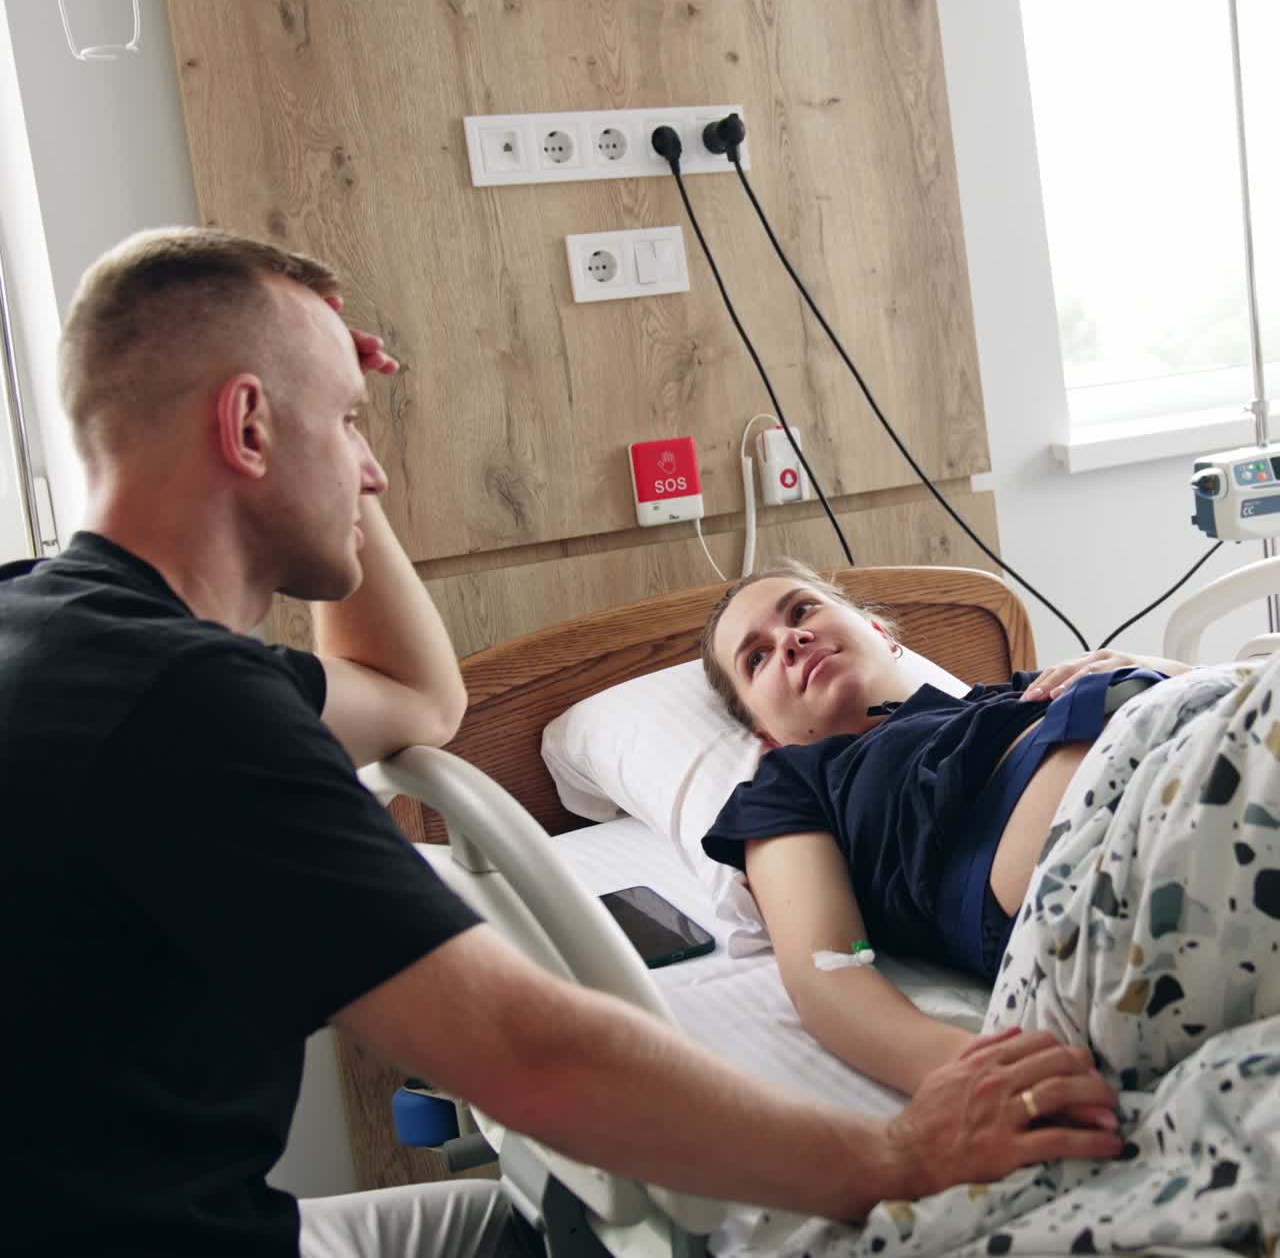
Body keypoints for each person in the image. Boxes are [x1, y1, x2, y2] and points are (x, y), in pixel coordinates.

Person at [0, 230, 1123, 1258]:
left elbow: (412, 697)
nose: (374, 468)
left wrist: (318, 414)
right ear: (247, 426)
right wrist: (894, 1155)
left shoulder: (63, 630)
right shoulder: (189, 708)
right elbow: (529, 1054)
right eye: (349, 424)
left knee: (559, 1219)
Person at [701, 562, 1190, 1096]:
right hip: (1124, 870)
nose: (791, 639)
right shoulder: (790, 784)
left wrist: (1155, 666)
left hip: (1192, 753)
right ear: (761, 729)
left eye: (802, 610)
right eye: (758, 657)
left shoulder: (1015, 694)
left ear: (880, 631)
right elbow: (825, 969)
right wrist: (973, 1074)